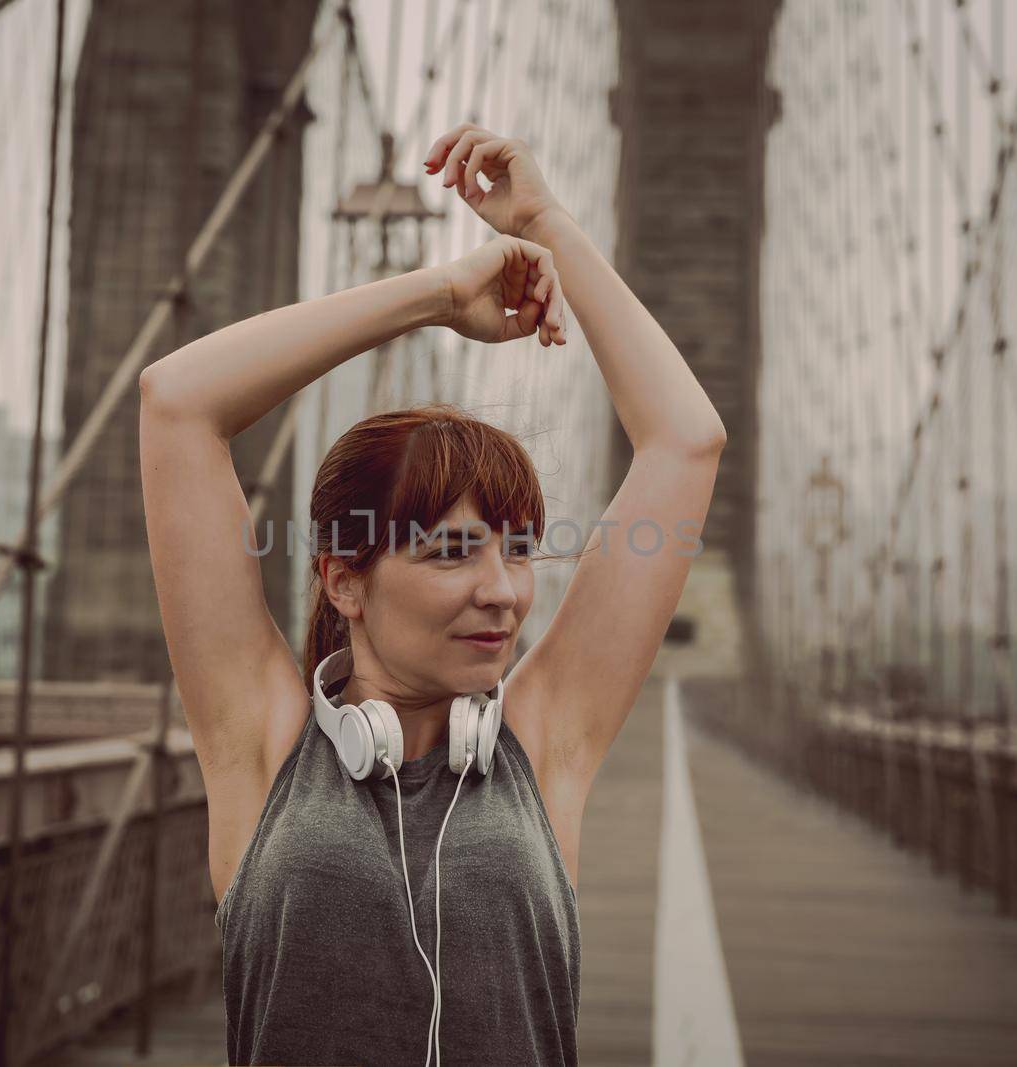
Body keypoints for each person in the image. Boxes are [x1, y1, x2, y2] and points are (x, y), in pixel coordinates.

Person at [138, 123, 727, 1066]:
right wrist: (438, 295)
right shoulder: (263, 745)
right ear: (345, 579)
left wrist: (544, 225)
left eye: (519, 551)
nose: (503, 592)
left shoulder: (544, 741)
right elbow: (177, 403)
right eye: (453, 553)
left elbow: (685, 440)